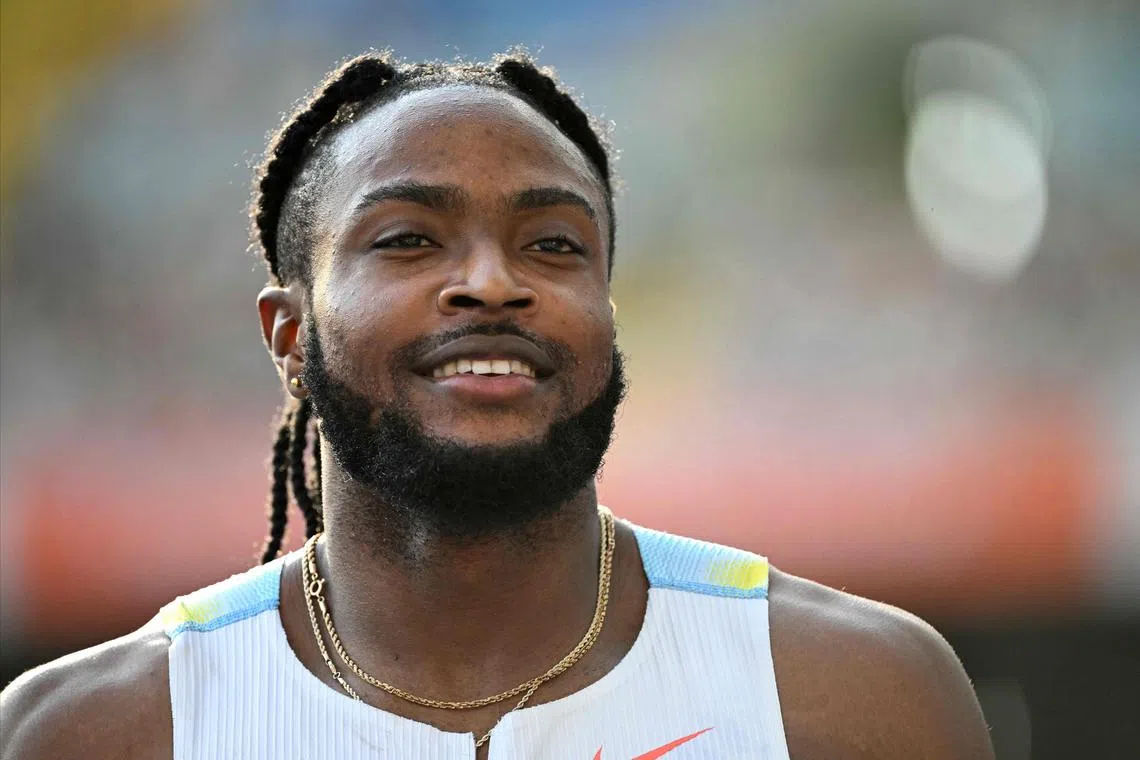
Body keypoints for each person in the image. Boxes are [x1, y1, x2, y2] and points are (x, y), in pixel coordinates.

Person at [0, 52, 995, 759]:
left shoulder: (857, 695)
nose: (491, 282)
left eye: (554, 245)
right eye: (407, 239)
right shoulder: (106, 730)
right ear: (289, 335)